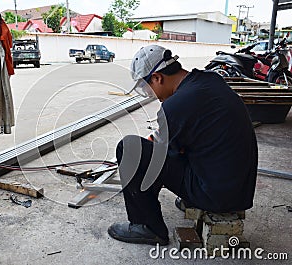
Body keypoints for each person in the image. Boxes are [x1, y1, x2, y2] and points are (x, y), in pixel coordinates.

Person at [107, 45, 258, 245]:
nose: (150, 95)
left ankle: (147, 226)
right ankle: (187, 198)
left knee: (129, 148)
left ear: (157, 78)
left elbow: (161, 157)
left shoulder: (175, 106)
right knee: (171, 148)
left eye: (147, 88)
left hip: (216, 195)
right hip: (238, 190)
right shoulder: (210, 80)